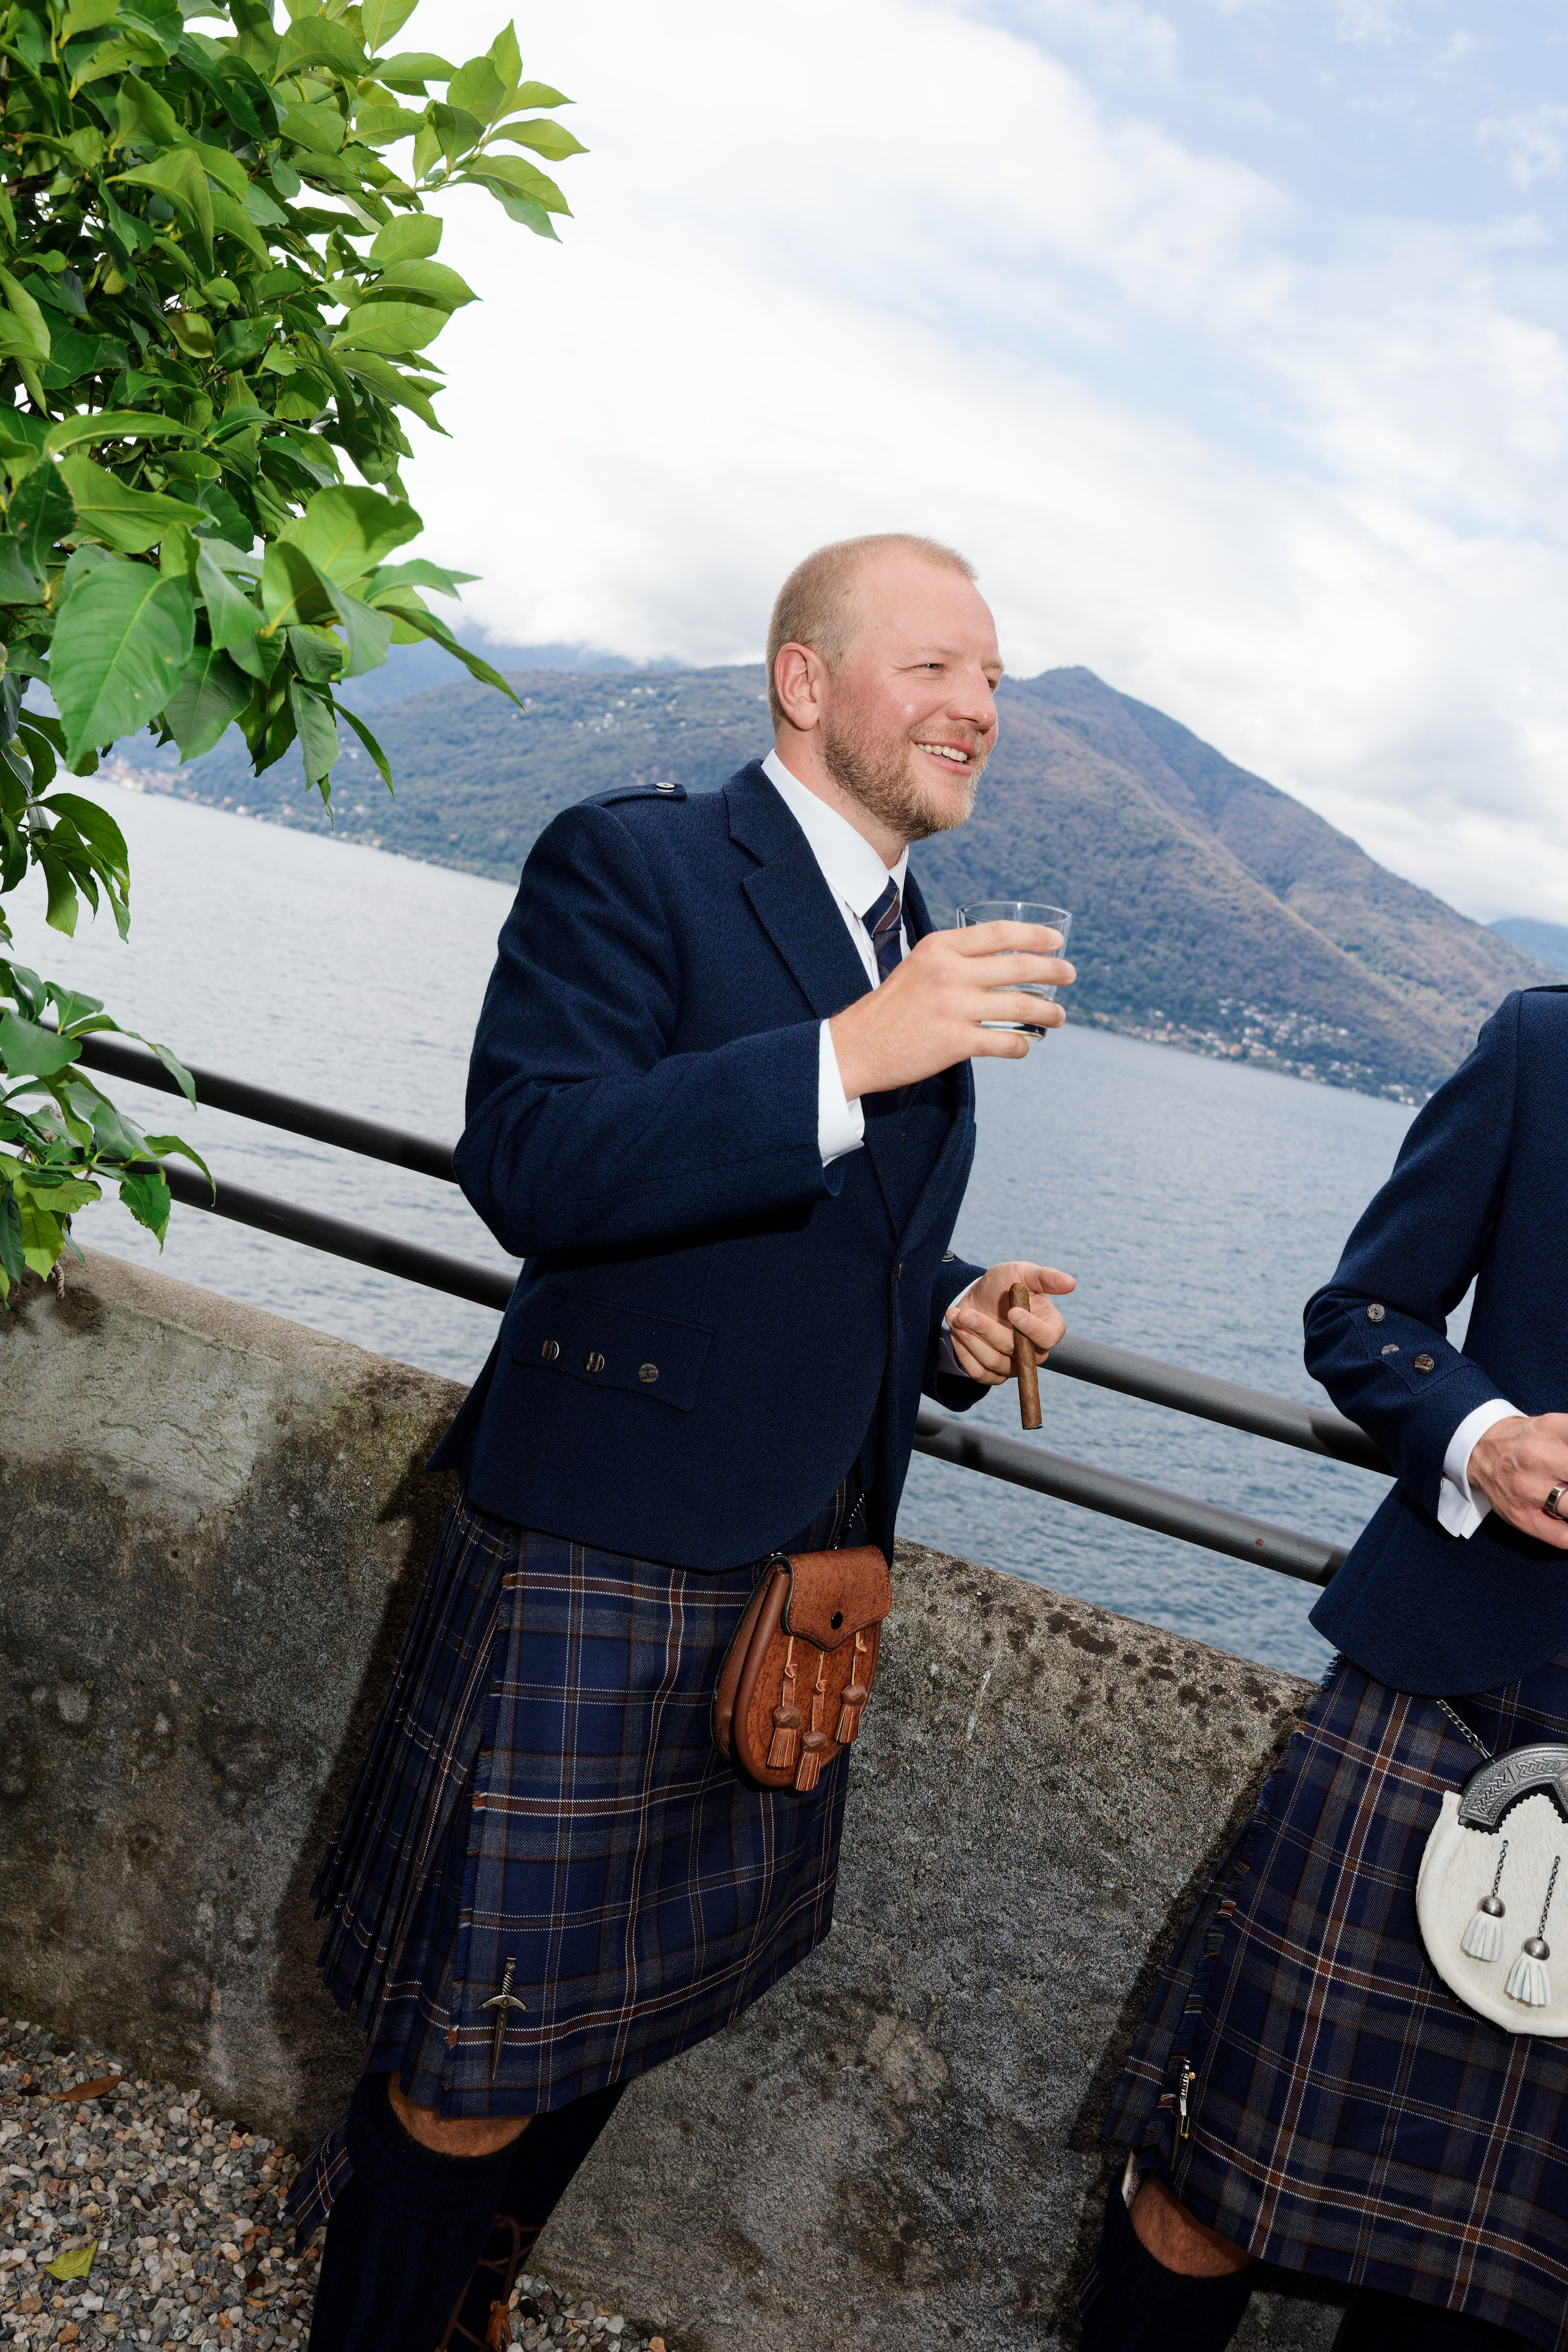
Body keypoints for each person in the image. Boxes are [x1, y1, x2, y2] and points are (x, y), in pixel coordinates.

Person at [285, 532, 1079, 2352]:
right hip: (599, 1552)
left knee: (614, 2017)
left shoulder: (905, 943)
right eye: (937, 669)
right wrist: (845, 1057)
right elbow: (535, 1166)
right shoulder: (635, 860)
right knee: (473, 2056)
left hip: (792, 1576)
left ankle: (451, 2301)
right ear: (805, 682)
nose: (977, 708)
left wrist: (942, 1310)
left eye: (993, 681)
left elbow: (812, 1239)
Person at [1082, 982, 1568, 2352]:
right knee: (1213, 2179)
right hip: (1443, 1690)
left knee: (1509, 2270)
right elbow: (1360, 1314)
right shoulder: (1546, 1048)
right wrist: (1479, 1436)